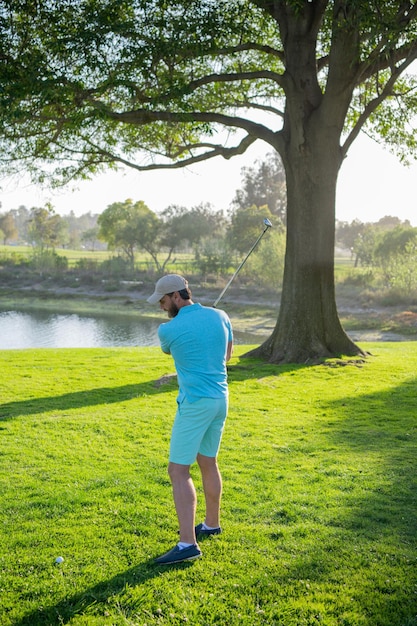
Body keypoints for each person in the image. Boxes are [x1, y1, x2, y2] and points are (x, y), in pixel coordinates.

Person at [147, 274, 233, 565]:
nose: (161, 307)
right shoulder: (220, 316)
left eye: (162, 300)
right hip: (220, 400)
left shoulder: (167, 330)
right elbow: (227, 356)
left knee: (178, 471)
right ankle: (211, 523)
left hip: (195, 404)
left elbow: (170, 349)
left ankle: (187, 545)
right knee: (208, 461)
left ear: (174, 296)